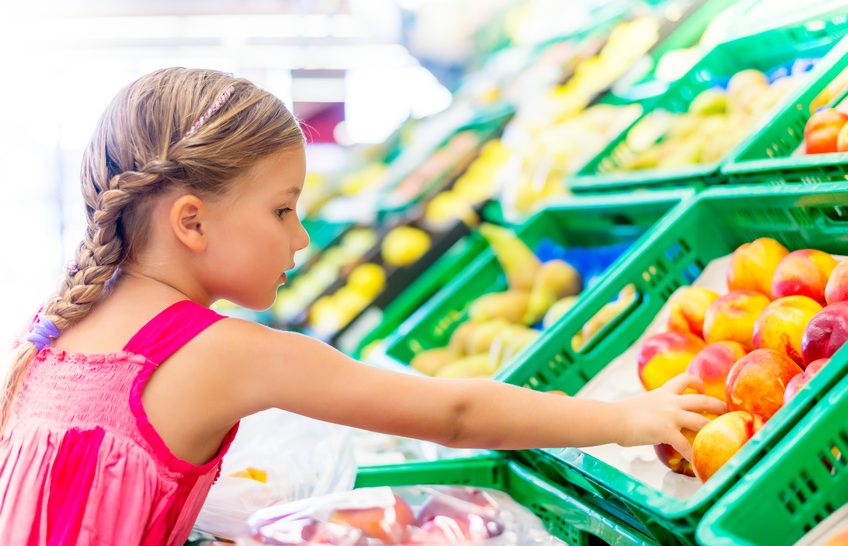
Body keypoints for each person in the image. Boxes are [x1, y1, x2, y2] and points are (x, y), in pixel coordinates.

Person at [0, 68, 724, 545]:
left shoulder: (58, 326)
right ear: (191, 222)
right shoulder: (217, 351)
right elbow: (455, 414)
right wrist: (628, 418)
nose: (303, 237)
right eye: (283, 210)